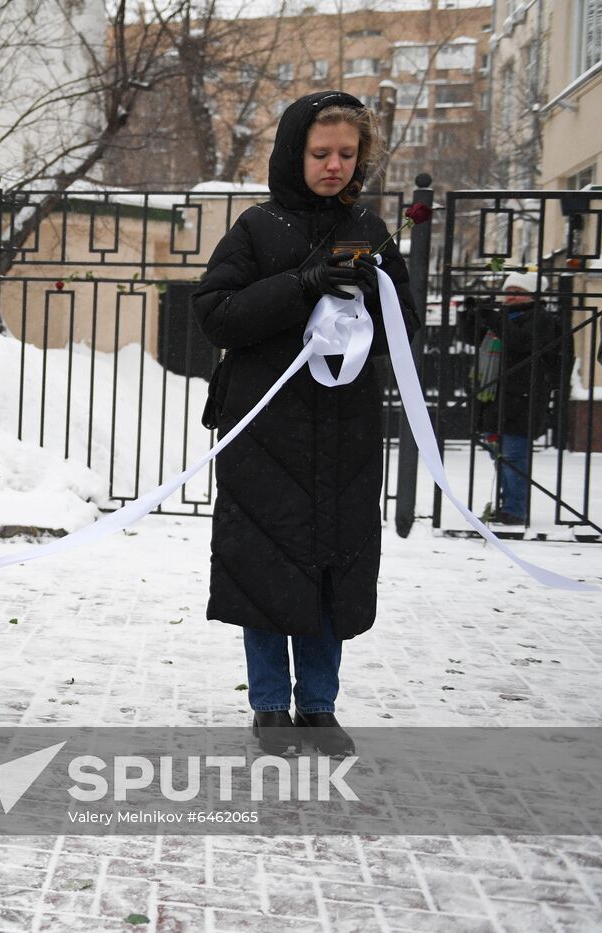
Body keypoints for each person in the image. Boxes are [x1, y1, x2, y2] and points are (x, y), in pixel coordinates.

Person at [192, 91, 416, 758]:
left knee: (329, 567)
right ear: (296, 152)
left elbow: (404, 329)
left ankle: (319, 705)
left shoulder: (370, 232)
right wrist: (304, 282)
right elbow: (216, 312)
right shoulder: (257, 228)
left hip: (343, 439)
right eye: (321, 153)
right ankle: (270, 707)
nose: (334, 166)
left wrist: (373, 288)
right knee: (265, 566)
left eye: (348, 154)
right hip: (265, 433)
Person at [473, 271, 562, 526]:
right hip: (496, 398)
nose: (510, 297)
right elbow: (469, 338)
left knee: (513, 456)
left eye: (517, 292)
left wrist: (493, 318)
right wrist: (470, 313)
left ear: (532, 295)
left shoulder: (541, 319)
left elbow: (522, 343)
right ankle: (506, 504)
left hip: (522, 398)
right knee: (498, 454)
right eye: (508, 291)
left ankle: (514, 509)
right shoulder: (502, 318)